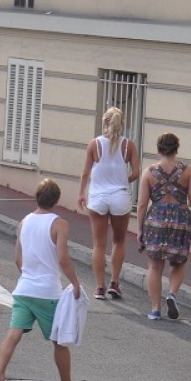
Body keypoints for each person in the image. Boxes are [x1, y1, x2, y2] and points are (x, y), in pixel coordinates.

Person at [0, 178, 87, 381]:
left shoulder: (25, 222)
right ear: (56, 199)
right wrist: (75, 283)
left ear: (37, 197)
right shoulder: (59, 224)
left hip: (24, 288)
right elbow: (63, 258)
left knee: (14, 334)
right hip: (47, 291)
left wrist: (28, 276)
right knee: (59, 340)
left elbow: (18, 259)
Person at [78, 107, 140, 301]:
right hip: (120, 196)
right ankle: (114, 283)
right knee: (119, 241)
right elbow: (137, 172)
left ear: (105, 122)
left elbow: (85, 173)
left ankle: (99, 287)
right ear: (121, 124)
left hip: (98, 197)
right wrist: (123, 181)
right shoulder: (128, 146)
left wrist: (81, 193)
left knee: (98, 244)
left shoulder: (94, 145)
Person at [137, 133, 191, 320]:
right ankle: (172, 293)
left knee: (155, 266)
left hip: (156, 217)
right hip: (180, 217)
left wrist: (140, 229)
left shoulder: (149, 172)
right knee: (179, 261)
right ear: (176, 149)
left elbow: (141, 204)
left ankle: (155, 309)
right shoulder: (188, 171)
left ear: (158, 149)